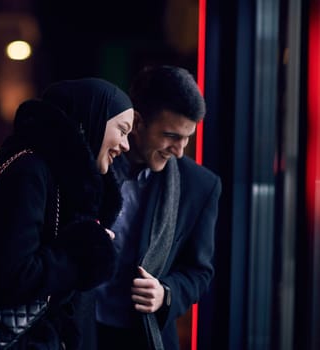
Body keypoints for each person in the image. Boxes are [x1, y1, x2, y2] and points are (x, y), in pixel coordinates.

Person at [0, 78, 134, 350]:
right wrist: (80, 255)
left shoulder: (63, 184)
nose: (126, 145)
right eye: (122, 130)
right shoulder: (30, 173)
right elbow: (9, 277)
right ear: (91, 119)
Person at [92, 65, 222, 350]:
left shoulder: (200, 186)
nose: (179, 150)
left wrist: (166, 293)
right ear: (137, 122)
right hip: (79, 330)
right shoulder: (93, 165)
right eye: (171, 136)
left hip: (142, 338)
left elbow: (200, 272)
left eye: (187, 137)